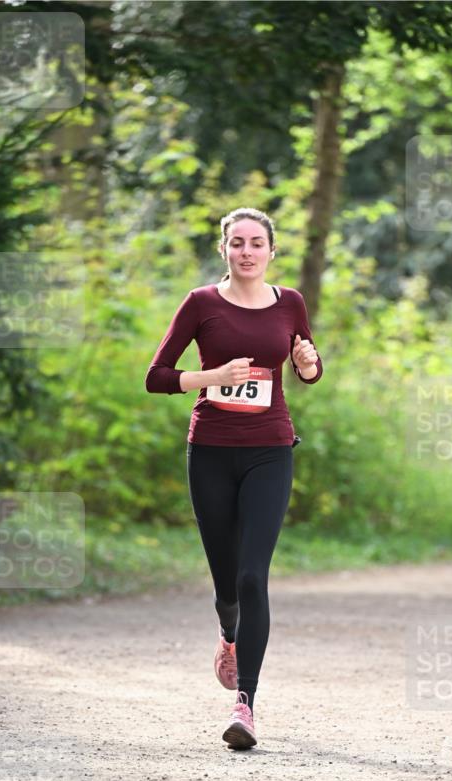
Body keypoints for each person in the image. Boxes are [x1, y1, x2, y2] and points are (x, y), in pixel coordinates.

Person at [144, 207, 323, 749]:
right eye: (237, 243)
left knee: (252, 576)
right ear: (224, 250)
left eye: (256, 243)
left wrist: (310, 363)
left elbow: (306, 367)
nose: (247, 251)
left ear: (271, 250)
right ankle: (229, 633)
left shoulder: (290, 302)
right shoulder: (201, 304)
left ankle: (244, 705)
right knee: (227, 583)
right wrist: (211, 376)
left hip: (271, 451)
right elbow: (156, 377)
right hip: (212, 452)